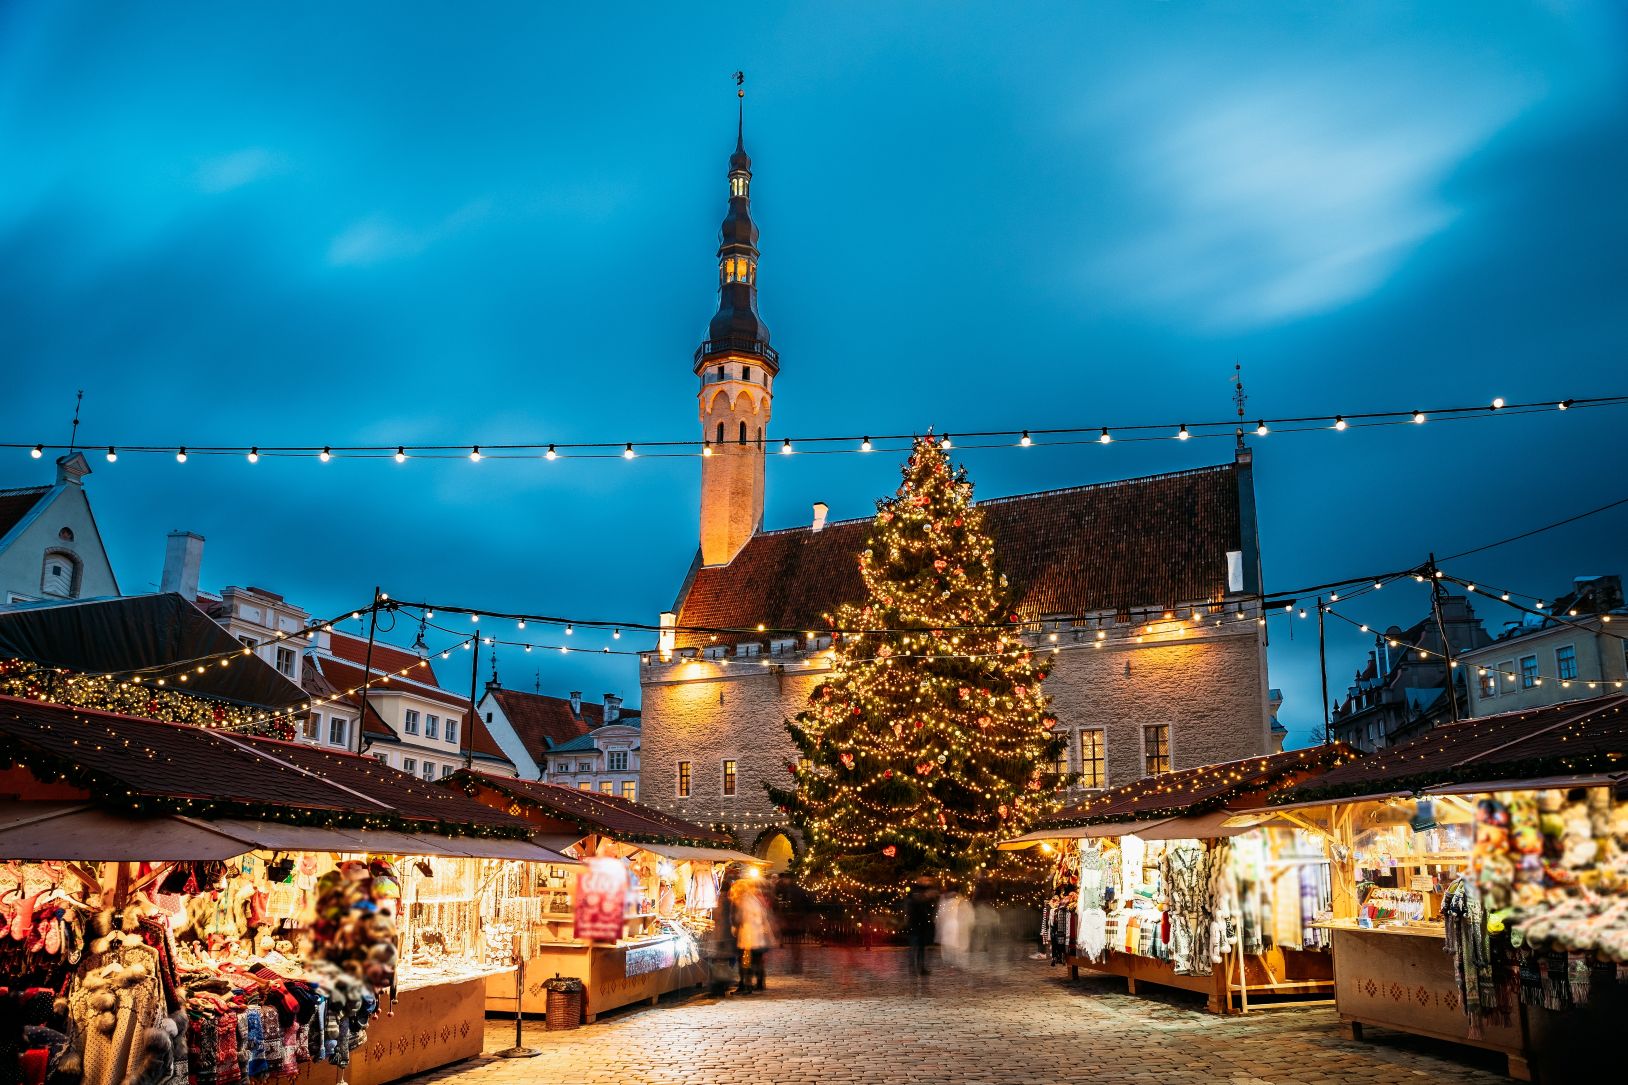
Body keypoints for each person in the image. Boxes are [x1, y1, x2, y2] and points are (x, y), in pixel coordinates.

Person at [729, 872, 775, 993]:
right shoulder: (753, 899)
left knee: (745, 961)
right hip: (756, 937)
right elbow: (763, 915)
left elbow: (739, 918)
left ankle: (746, 985)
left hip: (748, 937)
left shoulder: (743, 901)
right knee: (755, 960)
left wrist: (735, 926)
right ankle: (758, 983)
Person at [706, 869, 739, 997]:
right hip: (727, 935)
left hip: (720, 936)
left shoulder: (719, 901)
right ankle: (722, 986)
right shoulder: (730, 900)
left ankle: (718, 989)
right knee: (723, 963)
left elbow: (715, 916)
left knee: (718, 963)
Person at [773, 872, 811, 974]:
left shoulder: (790, 890)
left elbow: (786, 903)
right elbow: (807, 903)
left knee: (795, 943)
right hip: (798, 918)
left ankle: (796, 964)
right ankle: (797, 964)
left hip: (793, 919)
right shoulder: (799, 889)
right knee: (796, 943)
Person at [904, 875, 939, 977]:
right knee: (914, 945)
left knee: (921, 947)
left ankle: (921, 968)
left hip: (923, 922)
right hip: (915, 922)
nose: (928, 881)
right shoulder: (915, 890)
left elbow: (930, 905)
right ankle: (912, 968)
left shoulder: (927, 890)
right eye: (926, 879)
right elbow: (916, 900)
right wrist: (927, 896)